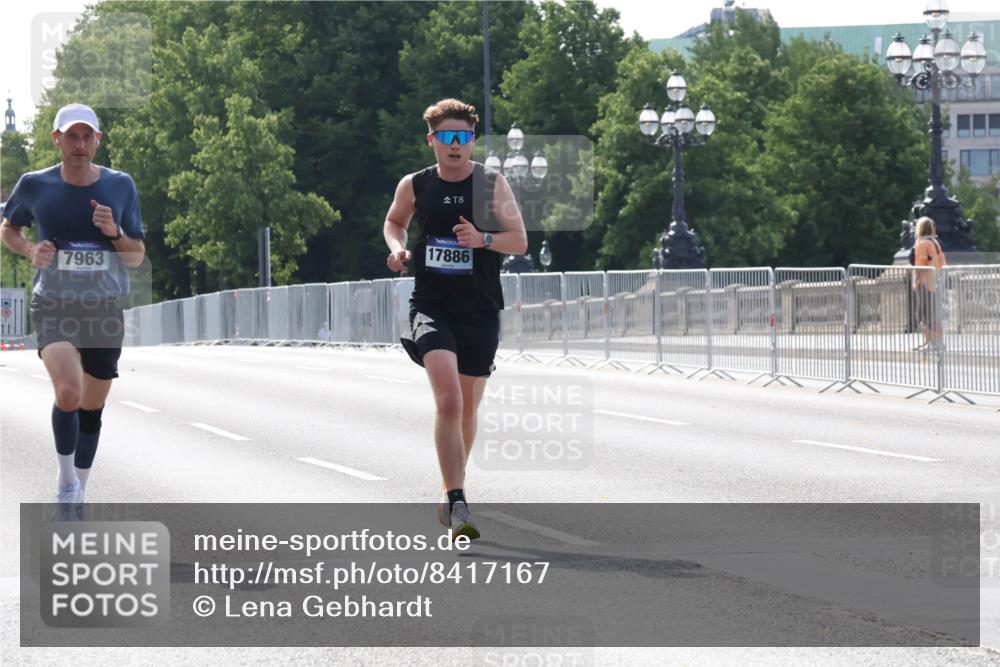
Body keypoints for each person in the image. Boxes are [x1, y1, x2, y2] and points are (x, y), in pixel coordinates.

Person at [382, 98, 527, 540]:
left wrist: (482, 239)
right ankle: (458, 500)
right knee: (449, 400)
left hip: (479, 307)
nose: (455, 145)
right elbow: (394, 222)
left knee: (468, 408)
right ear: (432, 141)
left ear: (471, 141)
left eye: (463, 137)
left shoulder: (491, 184)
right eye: (446, 137)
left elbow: (518, 242)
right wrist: (397, 248)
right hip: (431, 305)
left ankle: (449, 488)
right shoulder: (415, 184)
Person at [0, 103, 146, 512]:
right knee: (69, 392)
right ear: (56, 139)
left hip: (103, 308)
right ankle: (65, 484)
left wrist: (113, 231)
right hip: (54, 304)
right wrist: (31, 248)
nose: (80, 144)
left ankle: (79, 488)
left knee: (91, 407)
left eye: (88, 136)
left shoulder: (120, 187)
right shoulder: (35, 184)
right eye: (72, 136)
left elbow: (135, 257)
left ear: (98, 140)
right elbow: (9, 227)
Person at [911, 216, 946, 352]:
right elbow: (942, 261)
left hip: (924, 283)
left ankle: (930, 343)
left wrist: (916, 281)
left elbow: (920, 265)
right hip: (936, 282)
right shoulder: (935, 243)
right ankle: (938, 342)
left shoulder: (922, 244)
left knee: (923, 315)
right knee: (934, 315)